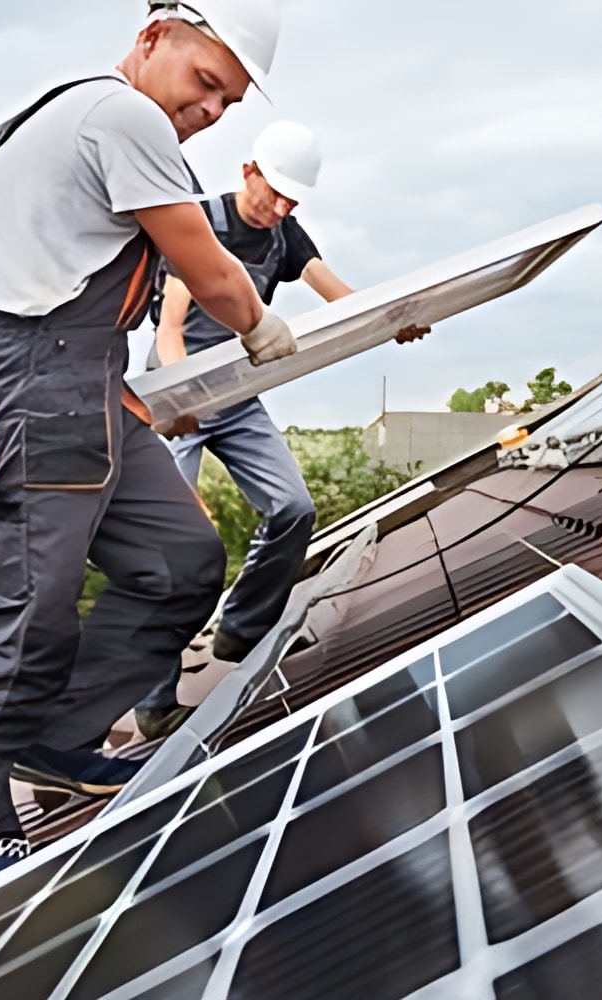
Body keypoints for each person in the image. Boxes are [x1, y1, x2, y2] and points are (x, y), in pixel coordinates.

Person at [0, 0, 291, 893]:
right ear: (155, 33)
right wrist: (257, 322)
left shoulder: (55, 115)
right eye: (206, 83)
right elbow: (206, 267)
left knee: (181, 561)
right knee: (25, 615)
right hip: (20, 384)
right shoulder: (117, 114)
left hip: (83, 383)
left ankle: (62, 735)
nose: (209, 111)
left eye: (229, 102)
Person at [132, 121, 429, 740]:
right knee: (171, 547)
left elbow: (337, 297)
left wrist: (392, 320)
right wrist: (180, 401)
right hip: (179, 392)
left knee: (294, 507)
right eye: (273, 194)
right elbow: (170, 330)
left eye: (293, 200)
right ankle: (155, 698)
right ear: (249, 172)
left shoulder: (284, 235)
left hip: (238, 394)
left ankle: (241, 628)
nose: (280, 208)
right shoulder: (201, 223)